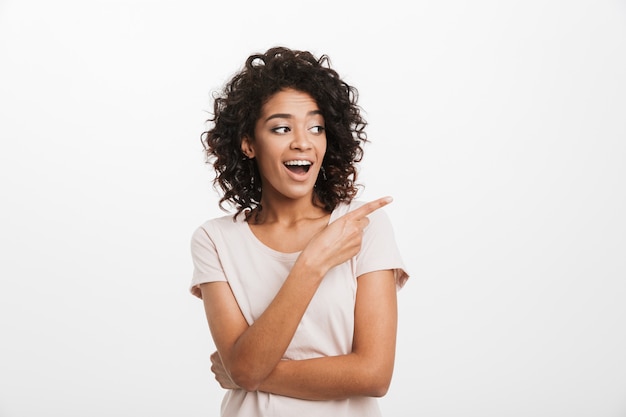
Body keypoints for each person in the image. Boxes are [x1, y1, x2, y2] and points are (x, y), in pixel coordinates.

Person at [189, 46, 409, 417]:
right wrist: (312, 264)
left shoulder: (360, 227)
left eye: (316, 127)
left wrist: (250, 374)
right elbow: (244, 369)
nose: (302, 142)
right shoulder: (215, 240)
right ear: (248, 143)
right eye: (281, 128)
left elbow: (374, 375)